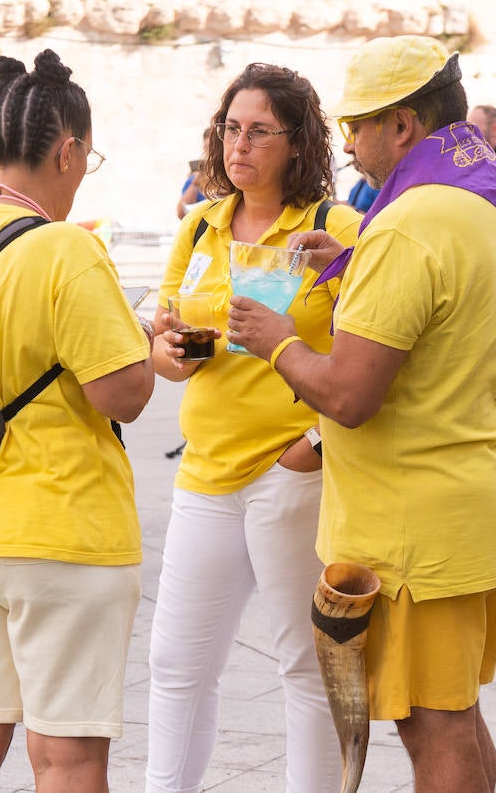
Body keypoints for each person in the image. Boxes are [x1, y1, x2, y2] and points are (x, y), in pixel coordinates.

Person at [227, 36, 496, 793]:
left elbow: (348, 393)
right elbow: (456, 317)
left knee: (431, 723)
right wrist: (349, 264)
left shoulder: (409, 224)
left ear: (402, 125)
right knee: (455, 710)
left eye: (359, 127)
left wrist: (275, 341)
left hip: (421, 525)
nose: (349, 146)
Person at [0, 48, 154, 793]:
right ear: (69, 149)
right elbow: (124, 395)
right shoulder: (65, 250)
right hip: (57, 535)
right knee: (67, 758)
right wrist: (143, 342)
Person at [145, 63, 357, 793]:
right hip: (205, 470)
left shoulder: (336, 230)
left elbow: (376, 356)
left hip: (290, 470)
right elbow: (176, 345)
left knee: (303, 664)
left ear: (297, 142)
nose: (240, 145)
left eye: (259, 131)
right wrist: (170, 348)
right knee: (177, 663)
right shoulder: (200, 224)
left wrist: (314, 447)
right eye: (231, 128)